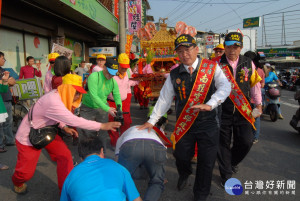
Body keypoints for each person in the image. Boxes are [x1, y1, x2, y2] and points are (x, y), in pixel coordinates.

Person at [138, 34, 231, 201]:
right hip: (185, 124)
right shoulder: (174, 74)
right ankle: (184, 173)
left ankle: (200, 194)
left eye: (187, 49)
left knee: (206, 161)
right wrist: (151, 121)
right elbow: (165, 99)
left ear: (196, 49)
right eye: (180, 51)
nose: (184, 54)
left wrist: (211, 103)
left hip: (209, 123)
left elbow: (225, 86)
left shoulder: (211, 68)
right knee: (180, 155)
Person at [12, 74, 121, 194]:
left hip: (47, 131)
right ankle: (17, 181)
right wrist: (102, 125)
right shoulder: (53, 100)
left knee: (65, 156)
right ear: (67, 89)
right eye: (76, 92)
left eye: (79, 93)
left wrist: (63, 127)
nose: (78, 96)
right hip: (28, 136)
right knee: (26, 173)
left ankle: (65, 190)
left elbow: (53, 115)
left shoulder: (59, 94)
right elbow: (74, 120)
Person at [216, 32, 262, 187]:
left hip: (243, 110)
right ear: (225, 47)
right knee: (222, 144)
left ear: (241, 47)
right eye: (228, 46)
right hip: (222, 111)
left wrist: (259, 104)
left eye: (235, 47)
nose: (232, 50)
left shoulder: (248, 62)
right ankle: (226, 175)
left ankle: (231, 162)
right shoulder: (216, 63)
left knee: (246, 141)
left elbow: (254, 85)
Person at [60, 136, 142, 201]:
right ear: (102, 151)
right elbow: (135, 199)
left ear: (81, 158)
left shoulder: (71, 176)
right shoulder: (119, 168)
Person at [78, 59, 122, 152]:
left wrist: (119, 109)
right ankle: (88, 151)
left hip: (102, 107)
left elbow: (117, 95)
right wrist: (108, 109)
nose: (111, 76)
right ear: (104, 68)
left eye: (113, 74)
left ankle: (102, 151)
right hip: (88, 107)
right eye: (110, 73)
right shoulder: (94, 77)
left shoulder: (113, 81)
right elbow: (94, 96)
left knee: (103, 131)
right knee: (88, 131)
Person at [116, 126, 167, 201]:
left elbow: (117, 159)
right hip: (155, 145)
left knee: (122, 178)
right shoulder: (157, 134)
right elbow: (163, 156)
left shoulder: (128, 131)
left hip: (130, 143)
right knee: (157, 182)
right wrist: (160, 175)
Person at [107, 53, 138, 147]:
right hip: (111, 102)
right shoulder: (111, 74)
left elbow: (128, 84)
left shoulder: (125, 74)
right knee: (112, 123)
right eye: (122, 67)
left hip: (124, 102)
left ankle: (125, 142)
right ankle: (115, 143)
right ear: (118, 65)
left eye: (126, 67)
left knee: (126, 122)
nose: (124, 69)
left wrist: (139, 80)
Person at [244, 51, 265, 144]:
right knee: (256, 119)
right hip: (257, 100)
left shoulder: (245, 69)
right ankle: (255, 137)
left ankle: (246, 136)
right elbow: (262, 84)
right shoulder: (260, 70)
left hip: (246, 99)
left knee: (245, 120)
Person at [0, 52, 16, 150]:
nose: (4, 60)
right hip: (1, 100)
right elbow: (6, 83)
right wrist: (6, 81)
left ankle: (9, 140)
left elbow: (13, 81)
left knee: (8, 122)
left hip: (6, 98)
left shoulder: (3, 70)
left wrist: (5, 81)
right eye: (2, 58)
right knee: (1, 124)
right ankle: (1, 144)